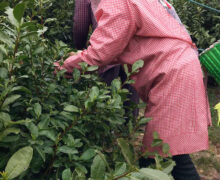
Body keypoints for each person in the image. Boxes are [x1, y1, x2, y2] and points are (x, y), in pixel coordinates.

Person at [55, 0, 211, 179]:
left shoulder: (117, 3)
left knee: (164, 157)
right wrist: (78, 58)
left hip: (173, 74)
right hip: (178, 69)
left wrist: (59, 68)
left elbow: (99, 54)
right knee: (155, 157)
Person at [72, 0, 139, 119]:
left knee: (103, 91)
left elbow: (80, 25)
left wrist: (81, 50)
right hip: (132, 45)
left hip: (106, 48)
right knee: (130, 82)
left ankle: (104, 129)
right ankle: (130, 126)